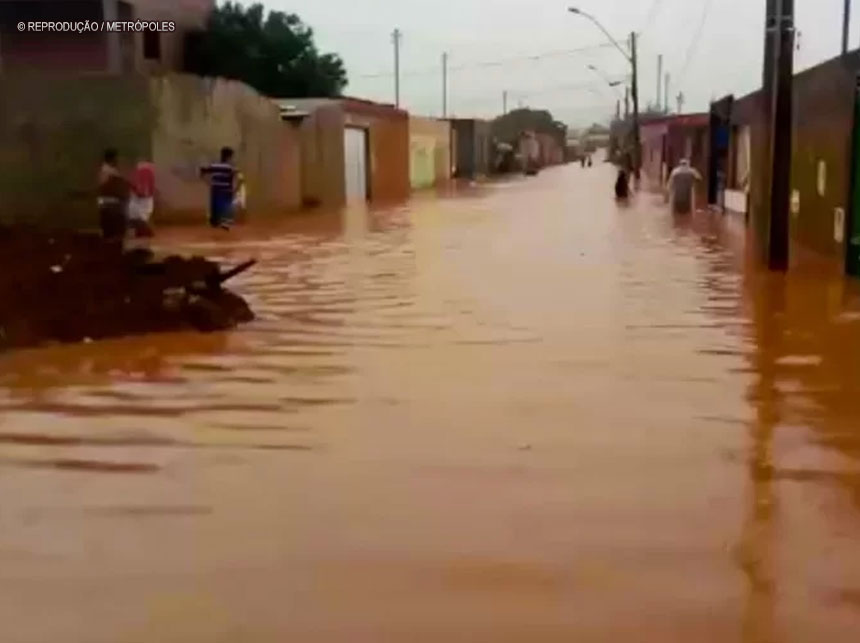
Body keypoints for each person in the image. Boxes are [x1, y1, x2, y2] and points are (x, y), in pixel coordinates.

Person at [200, 147, 241, 230]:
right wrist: (236, 189)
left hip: (215, 190)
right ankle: (224, 224)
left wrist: (209, 183)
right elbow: (240, 178)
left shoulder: (214, 165)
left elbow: (202, 172)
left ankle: (215, 224)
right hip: (226, 191)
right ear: (229, 157)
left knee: (215, 208)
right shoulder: (231, 167)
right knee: (225, 208)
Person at [97, 148, 130, 241]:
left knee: (113, 227)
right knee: (112, 228)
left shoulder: (110, 170)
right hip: (111, 203)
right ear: (112, 158)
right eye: (116, 158)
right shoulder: (107, 171)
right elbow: (108, 187)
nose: (118, 160)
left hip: (112, 202)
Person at [128, 159, 156, 238]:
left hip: (139, 199)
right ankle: (142, 232)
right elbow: (144, 189)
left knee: (137, 216)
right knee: (140, 217)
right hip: (142, 199)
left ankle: (140, 232)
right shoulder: (147, 171)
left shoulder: (139, 171)